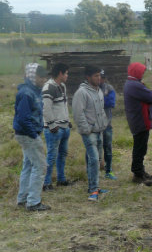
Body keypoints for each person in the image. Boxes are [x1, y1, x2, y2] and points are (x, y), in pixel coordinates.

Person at [15, 63, 51, 211]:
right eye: (41, 76)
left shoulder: (34, 91)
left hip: (27, 133)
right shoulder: (26, 93)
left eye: (44, 76)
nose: (44, 79)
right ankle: (33, 202)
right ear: (32, 76)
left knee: (29, 165)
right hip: (28, 135)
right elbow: (23, 118)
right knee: (41, 166)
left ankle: (23, 199)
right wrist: (33, 134)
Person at [72, 65, 109, 201]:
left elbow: (101, 110)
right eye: (95, 76)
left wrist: (103, 124)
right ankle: (93, 190)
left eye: (99, 75)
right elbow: (77, 113)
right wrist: (86, 129)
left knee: (96, 159)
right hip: (89, 132)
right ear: (88, 77)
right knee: (94, 159)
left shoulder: (98, 90)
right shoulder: (81, 92)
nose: (99, 78)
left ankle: (93, 186)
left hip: (99, 130)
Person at [123, 62, 152, 186]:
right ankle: (137, 174)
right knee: (139, 148)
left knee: (141, 147)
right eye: (142, 71)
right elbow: (151, 97)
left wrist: (150, 92)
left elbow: (148, 94)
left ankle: (141, 171)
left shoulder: (131, 84)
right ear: (136, 72)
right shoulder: (134, 85)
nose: (143, 74)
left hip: (137, 120)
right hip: (140, 121)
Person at [41, 63, 72, 190]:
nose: (67, 75)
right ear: (60, 73)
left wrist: (68, 121)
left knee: (62, 154)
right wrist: (52, 124)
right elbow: (45, 108)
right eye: (66, 73)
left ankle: (61, 179)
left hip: (64, 126)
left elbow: (63, 106)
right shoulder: (48, 87)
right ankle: (46, 183)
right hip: (54, 129)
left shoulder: (62, 86)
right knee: (51, 155)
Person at [99, 70, 117, 180]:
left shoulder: (109, 88)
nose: (101, 79)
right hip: (94, 125)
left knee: (108, 148)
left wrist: (99, 100)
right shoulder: (90, 88)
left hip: (107, 124)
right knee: (94, 148)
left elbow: (111, 102)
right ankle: (94, 171)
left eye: (103, 77)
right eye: (100, 77)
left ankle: (108, 170)